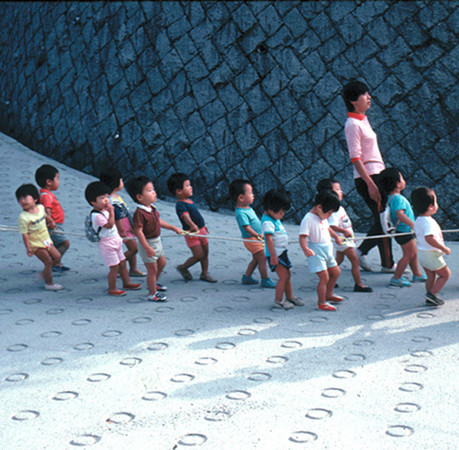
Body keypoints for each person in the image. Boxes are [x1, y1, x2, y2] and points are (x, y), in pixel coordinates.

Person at [342, 80, 394, 273]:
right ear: (353, 100)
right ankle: (385, 263)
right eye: (364, 94)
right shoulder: (353, 124)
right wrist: (370, 183)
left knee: (382, 218)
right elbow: (355, 158)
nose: (369, 97)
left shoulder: (363, 120)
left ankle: (365, 254)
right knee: (383, 219)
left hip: (377, 174)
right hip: (369, 177)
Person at [126, 176, 182, 302]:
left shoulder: (152, 208)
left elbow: (158, 221)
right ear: (139, 197)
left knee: (162, 263)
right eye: (149, 190)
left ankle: (153, 283)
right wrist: (146, 247)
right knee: (152, 269)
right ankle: (152, 293)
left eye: (153, 189)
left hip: (156, 241)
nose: (154, 192)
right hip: (148, 243)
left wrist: (173, 227)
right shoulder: (140, 213)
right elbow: (138, 231)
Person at [84, 181, 141, 296]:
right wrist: (112, 212)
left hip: (116, 240)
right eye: (102, 198)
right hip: (107, 244)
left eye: (107, 197)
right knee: (114, 268)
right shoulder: (96, 216)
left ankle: (127, 283)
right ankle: (112, 288)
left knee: (123, 262)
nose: (106, 200)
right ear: (93, 202)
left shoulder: (104, 211)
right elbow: (109, 225)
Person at [317, 178, 372, 293]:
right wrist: (344, 232)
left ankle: (327, 278)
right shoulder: (333, 211)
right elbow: (331, 226)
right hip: (343, 240)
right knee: (355, 261)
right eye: (337, 189)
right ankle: (359, 284)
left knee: (338, 260)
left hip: (345, 239)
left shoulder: (339, 208)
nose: (341, 192)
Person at [380, 168, 426, 287]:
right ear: (397, 183)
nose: (404, 181)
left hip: (403, 231)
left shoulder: (391, 198)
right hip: (404, 231)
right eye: (402, 179)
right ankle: (396, 277)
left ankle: (417, 274)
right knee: (408, 255)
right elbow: (400, 214)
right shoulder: (398, 198)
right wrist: (413, 225)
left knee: (413, 252)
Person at [167, 173, 217, 283]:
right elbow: (185, 216)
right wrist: (192, 225)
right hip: (192, 233)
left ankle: (204, 273)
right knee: (199, 255)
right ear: (179, 191)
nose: (191, 187)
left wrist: (203, 226)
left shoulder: (189, 201)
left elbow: (197, 215)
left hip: (201, 230)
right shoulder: (180, 204)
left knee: (205, 253)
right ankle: (183, 267)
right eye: (187, 185)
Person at [299, 190, 343, 311]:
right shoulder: (308, 218)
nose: (330, 215)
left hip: (327, 249)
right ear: (319, 207)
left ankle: (329, 294)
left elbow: (328, 228)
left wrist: (336, 237)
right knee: (324, 277)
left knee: (336, 272)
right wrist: (305, 249)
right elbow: (302, 236)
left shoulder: (322, 216)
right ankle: (321, 302)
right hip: (316, 251)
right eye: (329, 212)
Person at [229, 179, 275, 288]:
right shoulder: (241, 213)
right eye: (250, 193)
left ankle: (247, 276)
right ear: (241, 197)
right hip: (251, 239)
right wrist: (257, 235)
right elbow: (246, 227)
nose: (253, 195)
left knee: (256, 259)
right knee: (262, 258)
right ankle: (265, 279)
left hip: (254, 238)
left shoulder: (247, 208)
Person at [16, 184, 63, 290]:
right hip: (35, 244)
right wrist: (28, 247)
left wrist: (51, 222)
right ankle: (49, 283)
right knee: (48, 262)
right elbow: (25, 234)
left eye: (25, 198)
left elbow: (45, 216)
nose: (22, 201)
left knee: (57, 257)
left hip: (46, 239)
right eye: (19, 199)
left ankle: (44, 273)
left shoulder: (41, 208)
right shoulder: (23, 217)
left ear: (35, 198)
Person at [261, 189, 303, 310]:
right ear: (271, 208)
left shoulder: (274, 218)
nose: (283, 214)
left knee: (287, 275)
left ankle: (290, 297)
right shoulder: (267, 222)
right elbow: (268, 240)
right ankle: (278, 301)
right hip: (276, 254)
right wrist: (273, 256)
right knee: (283, 277)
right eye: (281, 211)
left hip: (281, 252)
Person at [100, 167, 145, 277]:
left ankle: (133, 269)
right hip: (122, 228)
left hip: (126, 226)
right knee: (134, 249)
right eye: (121, 180)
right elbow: (117, 217)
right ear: (115, 182)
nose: (122, 182)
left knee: (132, 248)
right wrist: (122, 230)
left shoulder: (115, 197)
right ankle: (118, 266)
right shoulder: (112, 200)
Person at [411, 187, 451, 306]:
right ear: (430, 206)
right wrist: (443, 248)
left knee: (431, 276)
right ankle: (432, 294)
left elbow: (416, 234)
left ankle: (430, 295)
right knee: (445, 275)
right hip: (431, 254)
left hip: (422, 254)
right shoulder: (428, 222)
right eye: (436, 202)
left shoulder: (418, 220)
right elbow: (430, 238)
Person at [35, 164, 70, 272]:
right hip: (54, 226)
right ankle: (53, 262)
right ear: (49, 182)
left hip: (56, 225)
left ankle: (56, 263)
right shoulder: (46, 196)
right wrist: (50, 221)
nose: (58, 182)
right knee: (65, 243)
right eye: (57, 178)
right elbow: (47, 210)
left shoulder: (46, 194)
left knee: (56, 245)